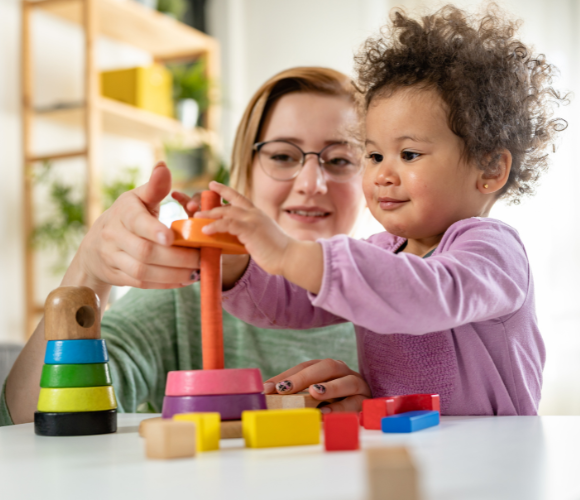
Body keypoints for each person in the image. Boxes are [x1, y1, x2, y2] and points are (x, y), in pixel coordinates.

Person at [195, 5, 568, 415]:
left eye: (408, 154)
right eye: (373, 156)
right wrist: (236, 265)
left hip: (491, 455)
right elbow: (293, 299)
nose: (382, 175)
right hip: (402, 447)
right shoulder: (381, 251)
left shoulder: (493, 251)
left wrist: (288, 252)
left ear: (490, 168)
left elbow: (426, 293)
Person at [1, 67, 367, 425]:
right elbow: (27, 421)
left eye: (340, 160)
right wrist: (87, 271)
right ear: (246, 170)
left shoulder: (405, 299)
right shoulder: (182, 298)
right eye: (283, 156)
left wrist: (385, 409)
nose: (310, 183)